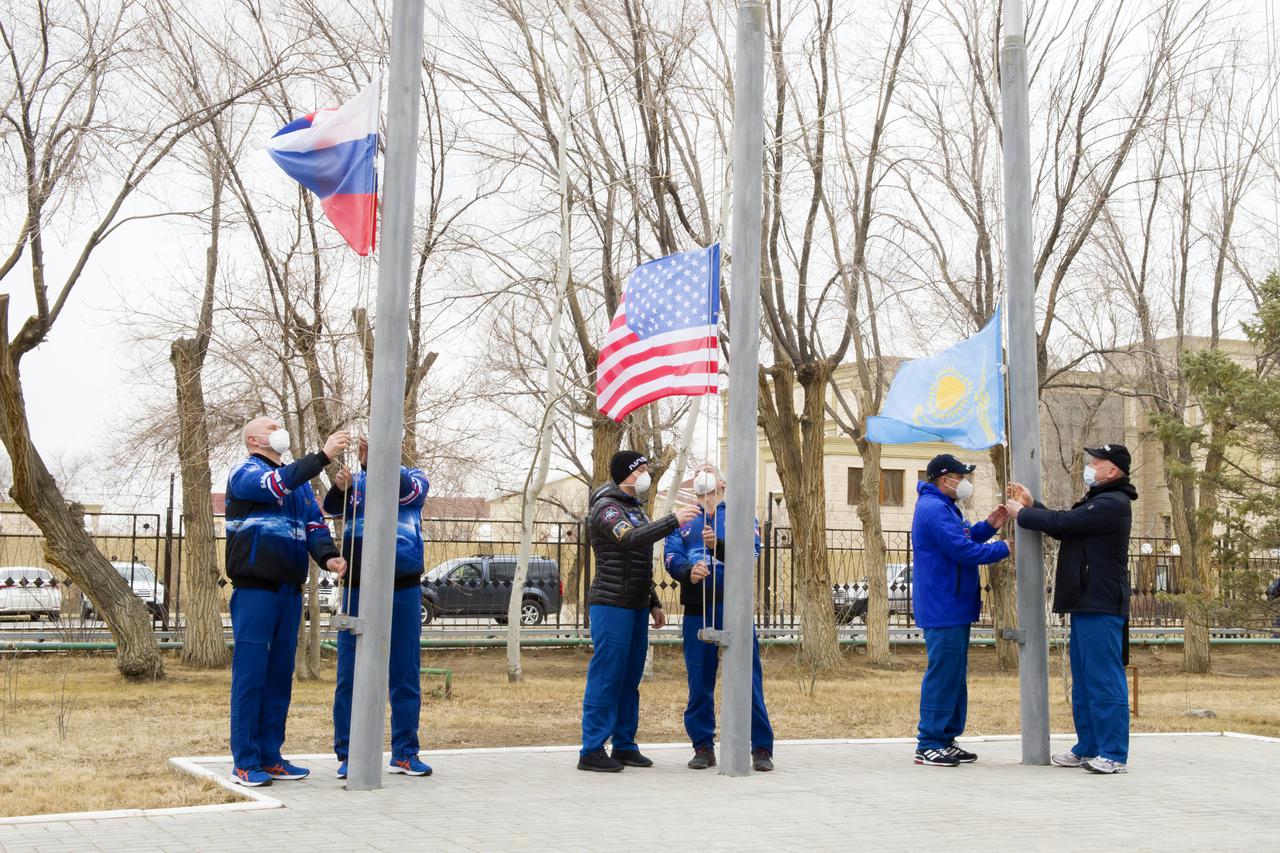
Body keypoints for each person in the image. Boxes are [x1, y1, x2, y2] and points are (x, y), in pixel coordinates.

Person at [225, 417, 348, 787]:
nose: (279, 429)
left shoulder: (297, 486)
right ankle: (245, 761)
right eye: (270, 426)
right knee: (251, 677)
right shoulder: (246, 473)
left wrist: (330, 558)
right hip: (254, 592)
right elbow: (276, 484)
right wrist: (323, 456)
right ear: (253, 438)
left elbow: (314, 525)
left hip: (288, 593)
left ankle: (270, 755)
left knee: (279, 677)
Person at [1006, 443, 1138, 775]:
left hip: (1102, 604)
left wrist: (1023, 514)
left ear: (1113, 470)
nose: (1090, 466)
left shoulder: (1113, 503)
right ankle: (1088, 747)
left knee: (1104, 679)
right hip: (1085, 602)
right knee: (1083, 679)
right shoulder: (1098, 502)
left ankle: (1113, 752)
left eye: (1097, 462)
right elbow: (1065, 524)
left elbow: (1066, 523)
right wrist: (1033, 506)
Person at [578, 450, 700, 772]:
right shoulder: (606, 508)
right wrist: (674, 520)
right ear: (627, 473)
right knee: (607, 676)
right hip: (611, 603)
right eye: (642, 469)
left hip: (635, 605)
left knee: (630, 679)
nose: (646, 473)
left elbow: (640, 562)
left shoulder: (636, 510)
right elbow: (630, 540)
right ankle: (591, 749)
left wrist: (654, 602)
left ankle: (624, 744)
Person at [323, 437, 432, 780]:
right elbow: (331, 508)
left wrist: (379, 461)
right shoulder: (356, 483)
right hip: (358, 586)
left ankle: (405, 751)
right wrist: (342, 486)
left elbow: (405, 491)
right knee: (349, 673)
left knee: (404, 672)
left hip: (403, 587)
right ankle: (348, 753)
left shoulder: (414, 477)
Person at [663, 463, 774, 772]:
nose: (706, 498)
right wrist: (689, 572)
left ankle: (761, 747)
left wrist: (719, 547)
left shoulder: (739, 516)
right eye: (701, 493)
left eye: (712, 492)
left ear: (722, 488)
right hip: (698, 610)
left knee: (747, 679)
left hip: (734, 608)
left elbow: (751, 553)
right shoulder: (685, 520)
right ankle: (702, 745)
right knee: (699, 680)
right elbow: (671, 557)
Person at [912, 453, 1010, 767]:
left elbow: (965, 537)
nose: (965, 482)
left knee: (955, 676)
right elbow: (961, 550)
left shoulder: (946, 508)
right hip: (943, 605)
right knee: (943, 675)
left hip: (954, 604)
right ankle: (929, 742)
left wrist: (990, 526)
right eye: (962, 477)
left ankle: (946, 738)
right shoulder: (933, 509)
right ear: (945, 480)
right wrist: (1003, 548)